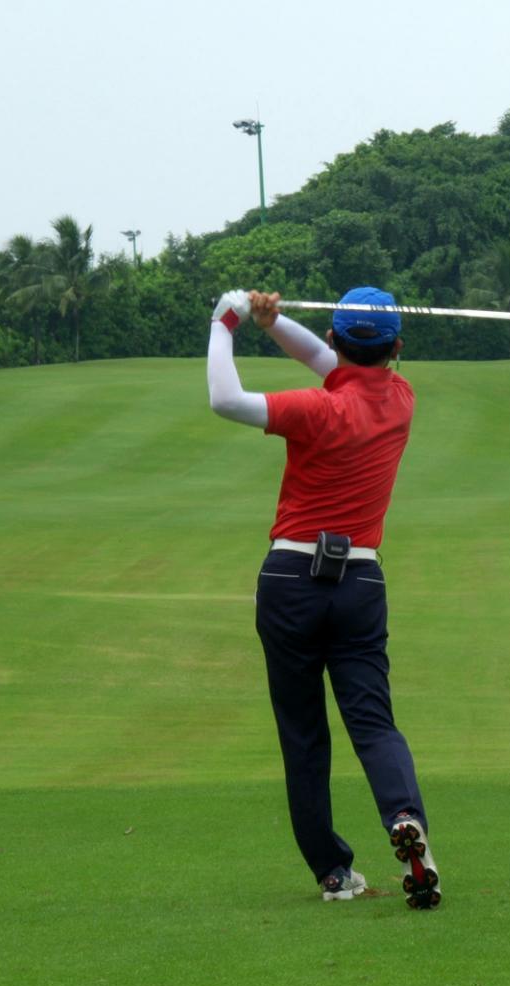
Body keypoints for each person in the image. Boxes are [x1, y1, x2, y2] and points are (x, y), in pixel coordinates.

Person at [205, 285, 441, 910]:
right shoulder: (401, 400)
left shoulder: (317, 408)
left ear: (335, 338)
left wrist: (227, 323)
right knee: (373, 722)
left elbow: (225, 399)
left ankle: (333, 872)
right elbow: (330, 362)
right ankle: (404, 818)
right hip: (360, 581)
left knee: (303, 731)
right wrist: (274, 322)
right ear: (397, 348)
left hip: (288, 580)